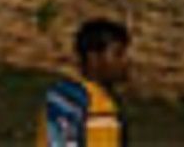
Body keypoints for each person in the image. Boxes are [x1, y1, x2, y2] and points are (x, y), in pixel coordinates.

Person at [42, 17, 130, 146]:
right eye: (118, 54)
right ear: (93, 57)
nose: (125, 61)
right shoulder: (82, 103)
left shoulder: (107, 101)